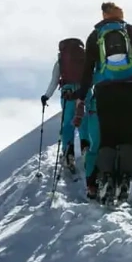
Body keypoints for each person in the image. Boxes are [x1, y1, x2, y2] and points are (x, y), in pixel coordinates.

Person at [74, 2, 132, 202]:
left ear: (104, 15)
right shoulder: (130, 30)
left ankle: (105, 177)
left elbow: (88, 70)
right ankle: (125, 178)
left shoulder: (95, 35)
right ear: (120, 14)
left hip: (106, 90)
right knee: (127, 132)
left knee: (108, 135)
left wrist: (81, 96)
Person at [41, 38, 88, 173]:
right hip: (85, 91)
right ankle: (86, 149)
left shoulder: (61, 61)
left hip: (68, 93)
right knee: (85, 121)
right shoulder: (85, 58)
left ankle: (68, 154)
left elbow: (54, 81)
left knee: (68, 123)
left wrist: (46, 96)